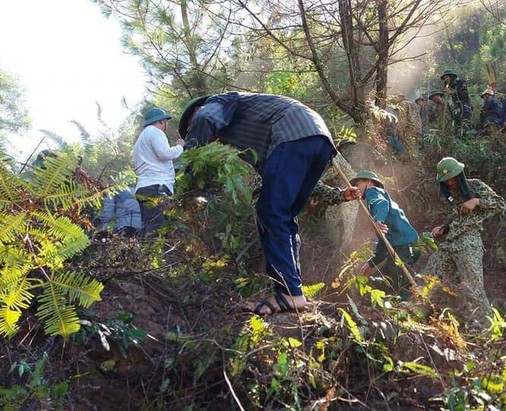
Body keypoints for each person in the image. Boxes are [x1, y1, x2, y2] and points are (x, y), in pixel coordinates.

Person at [181, 92, 351, 315]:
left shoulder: (217, 101)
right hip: (319, 140)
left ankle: (288, 293)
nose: (209, 141)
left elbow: (204, 119)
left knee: (271, 213)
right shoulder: (243, 132)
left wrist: (188, 175)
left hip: (292, 133)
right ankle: (294, 293)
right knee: (283, 215)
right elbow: (271, 172)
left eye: (190, 129)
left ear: (196, 110)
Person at [424, 157, 506, 316]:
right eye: (446, 180)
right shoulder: (449, 195)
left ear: (459, 174)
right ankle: (414, 313)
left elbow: (500, 204)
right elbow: (456, 216)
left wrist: (476, 201)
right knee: (429, 276)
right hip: (450, 243)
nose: (450, 183)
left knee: (473, 289)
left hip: (468, 241)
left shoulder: (475, 185)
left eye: (452, 178)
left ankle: (489, 330)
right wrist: (443, 228)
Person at [350, 170, 420, 300]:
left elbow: (381, 204)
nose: (356, 188)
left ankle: (407, 305)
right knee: (388, 275)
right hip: (407, 244)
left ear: (368, 182)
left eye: (358, 184)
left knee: (401, 278)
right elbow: (384, 241)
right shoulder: (380, 202)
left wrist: (378, 220)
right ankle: (395, 301)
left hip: (404, 244)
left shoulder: (373, 192)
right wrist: (371, 264)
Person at [133, 107, 185, 236]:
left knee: (149, 226)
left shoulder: (139, 141)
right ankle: (155, 255)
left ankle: (143, 255)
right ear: (161, 121)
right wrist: (180, 146)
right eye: (166, 122)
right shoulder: (155, 132)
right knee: (159, 228)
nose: (167, 125)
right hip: (156, 186)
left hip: (143, 187)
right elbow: (164, 154)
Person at [440, 70, 472, 134]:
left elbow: (464, 95)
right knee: (456, 124)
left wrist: (451, 92)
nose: (445, 79)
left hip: (464, 105)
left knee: (465, 123)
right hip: (456, 107)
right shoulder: (449, 86)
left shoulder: (461, 82)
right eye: (444, 78)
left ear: (451, 77)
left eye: (447, 77)